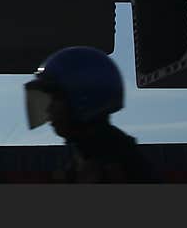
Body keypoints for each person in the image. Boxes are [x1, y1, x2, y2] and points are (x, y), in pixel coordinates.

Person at [24, 46, 159, 183]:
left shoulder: (114, 170)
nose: (49, 110)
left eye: (56, 99)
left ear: (82, 98)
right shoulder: (90, 157)